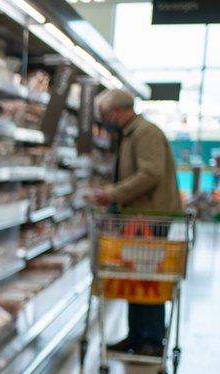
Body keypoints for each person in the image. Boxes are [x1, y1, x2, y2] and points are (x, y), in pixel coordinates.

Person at [90, 89, 181, 357]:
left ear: (115, 111)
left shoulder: (145, 133)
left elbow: (150, 173)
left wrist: (112, 193)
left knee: (149, 278)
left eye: (105, 114)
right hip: (138, 217)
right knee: (135, 275)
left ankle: (151, 340)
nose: (105, 120)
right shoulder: (132, 133)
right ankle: (136, 335)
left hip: (150, 217)